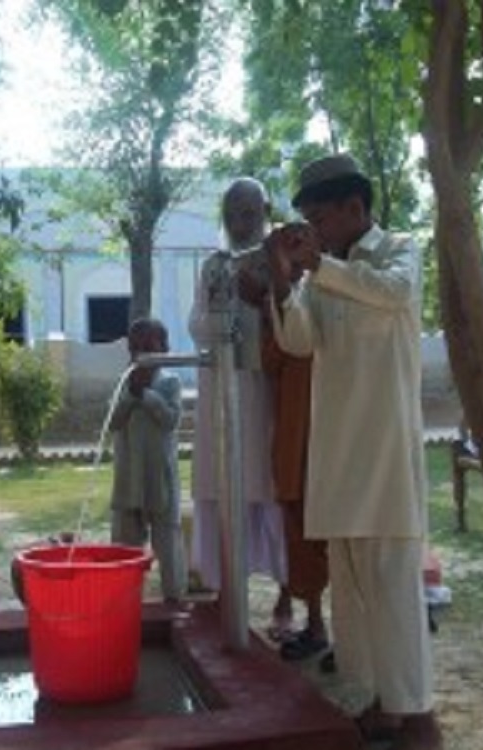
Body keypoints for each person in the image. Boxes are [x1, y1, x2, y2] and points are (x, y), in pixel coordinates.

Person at [267, 154, 443, 749]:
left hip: (385, 455)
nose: (313, 230)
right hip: (337, 459)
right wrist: (283, 281)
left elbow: (394, 294)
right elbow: (298, 341)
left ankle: (418, 716)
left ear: (354, 207)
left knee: (393, 589)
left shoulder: (399, 251)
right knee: (351, 591)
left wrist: (318, 265)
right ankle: (377, 704)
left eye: (319, 217)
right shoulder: (322, 274)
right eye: (308, 221)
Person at [188, 177, 292, 636]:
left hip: (264, 392)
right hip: (219, 391)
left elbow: (296, 319)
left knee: (271, 491)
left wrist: (262, 298)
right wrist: (219, 318)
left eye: (248, 214)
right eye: (231, 215)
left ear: (265, 212)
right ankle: (227, 592)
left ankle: (288, 598)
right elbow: (196, 322)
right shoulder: (213, 265)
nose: (239, 224)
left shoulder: (283, 258)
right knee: (222, 491)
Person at [240, 225, 332, 666]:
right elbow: (271, 358)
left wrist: (275, 296)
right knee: (299, 526)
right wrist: (267, 307)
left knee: (335, 536)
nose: (287, 267)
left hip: (327, 435)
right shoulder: (282, 303)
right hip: (293, 435)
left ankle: (345, 636)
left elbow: (305, 345)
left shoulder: (325, 293)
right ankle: (314, 623)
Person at [109, 317, 187, 603]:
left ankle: (175, 596)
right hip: (129, 478)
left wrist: (147, 395)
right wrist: (132, 394)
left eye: (148, 346)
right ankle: (124, 600)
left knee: (168, 541)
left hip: (159, 478)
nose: (140, 353)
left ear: (164, 349)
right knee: (125, 545)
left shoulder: (169, 382)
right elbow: (113, 422)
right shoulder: (124, 382)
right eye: (135, 347)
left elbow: (171, 420)